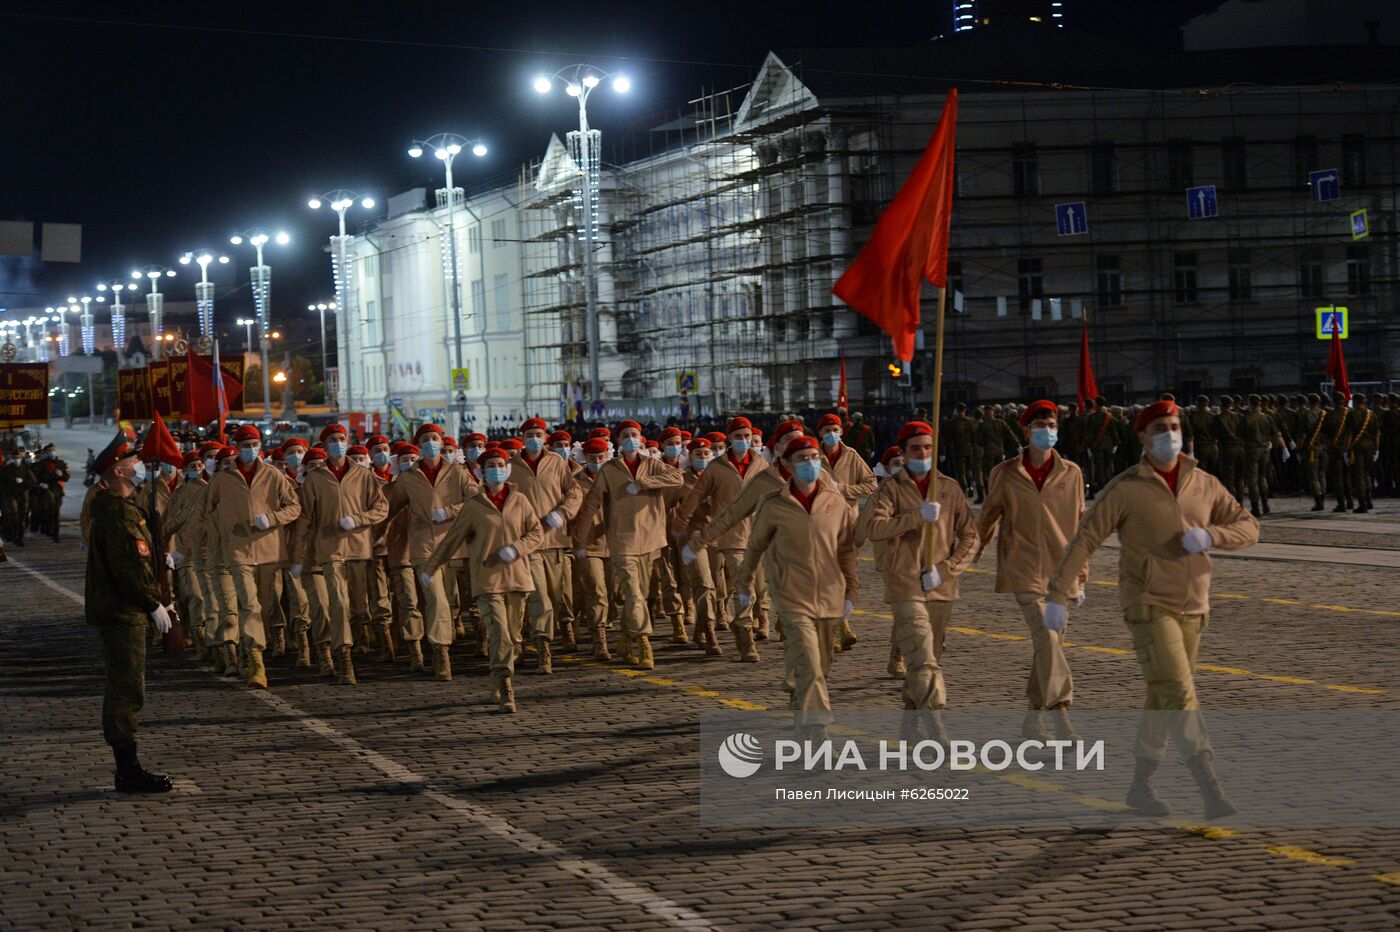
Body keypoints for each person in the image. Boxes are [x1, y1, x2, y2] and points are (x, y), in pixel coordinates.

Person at [1046, 400, 1259, 818]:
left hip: (1195, 605)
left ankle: (1140, 786)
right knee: (1180, 694)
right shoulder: (1127, 488)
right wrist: (1057, 594)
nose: (1170, 434)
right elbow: (1085, 539)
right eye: (1160, 427)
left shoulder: (1202, 482)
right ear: (1142, 437)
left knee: (1162, 696)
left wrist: (1213, 536)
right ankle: (1210, 788)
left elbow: (1249, 525)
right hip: (1147, 604)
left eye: (1174, 426)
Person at [734, 436, 859, 743]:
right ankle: (818, 731)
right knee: (810, 663)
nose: (810, 464)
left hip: (829, 594)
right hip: (792, 594)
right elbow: (755, 546)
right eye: (802, 459)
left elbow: (846, 549)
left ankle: (802, 715)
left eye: (814, 457)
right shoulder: (774, 505)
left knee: (821, 666)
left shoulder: (835, 501)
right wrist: (745, 582)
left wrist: (851, 591)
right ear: (787, 466)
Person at [976, 401, 1085, 741]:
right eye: (1040, 424)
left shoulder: (1072, 472)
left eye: (1051, 424)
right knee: (1047, 637)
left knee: (1048, 646)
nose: (1047, 430)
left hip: (1060, 569)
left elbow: (1080, 527)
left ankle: (1031, 720)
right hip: (1022, 567)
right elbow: (987, 517)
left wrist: (1081, 575)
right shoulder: (1006, 472)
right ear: (1026, 430)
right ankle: (1061, 715)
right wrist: (961, 556)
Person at [864, 421, 978, 743]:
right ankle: (936, 729)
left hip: (940, 585)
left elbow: (971, 534)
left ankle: (910, 721)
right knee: (923, 658)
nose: (923, 453)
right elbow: (874, 528)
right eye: (916, 448)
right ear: (903, 452)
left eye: (928, 448)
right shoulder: (890, 489)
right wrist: (916, 517)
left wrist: (947, 568)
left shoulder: (949, 488)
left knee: (926, 657)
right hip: (904, 584)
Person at [85, 427, 174, 793]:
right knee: (126, 689)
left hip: (122, 612)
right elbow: (128, 570)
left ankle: (127, 766)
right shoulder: (119, 514)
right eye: (132, 459)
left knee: (126, 686)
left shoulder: (122, 508)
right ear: (118, 470)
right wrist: (152, 603)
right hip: (124, 614)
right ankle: (127, 769)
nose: (138, 463)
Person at [422, 446, 544, 713]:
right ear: (481, 473)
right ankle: (506, 686)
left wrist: (517, 548)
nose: (496, 470)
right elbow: (451, 540)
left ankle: (496, 675)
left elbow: (536, 533)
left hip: (518, 578)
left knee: (513, 637)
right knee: (499, 633)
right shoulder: (473, 506)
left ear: (507, 469)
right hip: (487, 580)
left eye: (500, 464)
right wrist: (430, 568)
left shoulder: (520, 500)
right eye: (490, 466)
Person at [574, 419, 685, 669]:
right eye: (625, 435)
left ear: (641, 438)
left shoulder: (653, 465)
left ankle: (625, 637)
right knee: (634, 595)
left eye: (634, 434)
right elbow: (591, 503)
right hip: (622, 541)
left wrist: (644, 483)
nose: (630, 438)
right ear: (618, 441)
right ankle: (642, 642)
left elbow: (677, 478)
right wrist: (579, 538)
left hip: (650, 541)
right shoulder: (610, 469)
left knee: (641, 596)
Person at [205, 425, 301, 690]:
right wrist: (223, 532)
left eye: (255, 444)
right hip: (237, 552)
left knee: (267, 606)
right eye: (246, 445)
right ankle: (256, 662)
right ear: (238, 447)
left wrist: (271, 519)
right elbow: (207, 510)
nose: (251, 449)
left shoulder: (273, 475)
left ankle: (253, 648)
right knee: (249, 605)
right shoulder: (222, 479)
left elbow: (293, 507)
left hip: (269, 551)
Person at [295, 423, 389, 685]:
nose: (338, 442)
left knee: (359, 607)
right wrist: (298, 554)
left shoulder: (363, 474)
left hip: (359, 549)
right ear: (324, 446)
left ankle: (360, 640)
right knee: (336, 603)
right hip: (329, 549)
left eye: (342, 438)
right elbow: (304, 518)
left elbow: (381, 508)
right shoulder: (316, 478)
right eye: (333, 439)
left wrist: (359, 519)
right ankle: (343, 657)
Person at [385, 423, 478, 678]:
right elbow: (391, 508)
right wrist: (376, 534)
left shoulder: (457, 472)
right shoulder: (408, 477)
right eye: (425, 439)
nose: (430, 442)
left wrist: (449, 512)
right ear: (418, 444)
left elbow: (476, 498)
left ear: (442, 440)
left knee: (448, 600)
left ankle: (442, 641)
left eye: (434, 438)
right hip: (423, 546)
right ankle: (441, 652)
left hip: (453, 544)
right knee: (436, 598)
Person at [674, 416, 769, 661]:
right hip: (715, 536)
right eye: (738, 437)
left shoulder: (761, 466)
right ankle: (712, 630)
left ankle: (743, 632)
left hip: (749, 536)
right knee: (707, 587)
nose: (744, 441)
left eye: (747, 437)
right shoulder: (716, 467)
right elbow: (694, 498)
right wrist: (680, 527)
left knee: (746, 589)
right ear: (730, 438)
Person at [510, 418, 583, 669]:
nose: (534, 438)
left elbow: (574, 492)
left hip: (556, 538)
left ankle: (567, 627)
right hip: (528, 542)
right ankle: (543, 647)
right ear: (522, 438)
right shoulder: (512, 466)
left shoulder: (557, 462)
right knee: (539, 596)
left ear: (545, 436)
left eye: (538, 434)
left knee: (560, 592)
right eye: (529, 434)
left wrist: (562, 512)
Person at [1347, 393, 1380, 513]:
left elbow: (1349, 434)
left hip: (1357, 447)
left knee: (1359, 475)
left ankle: (1362, 504)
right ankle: (1369, 500)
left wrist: (1347, 449)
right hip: (1370, 447)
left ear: (1355, 402)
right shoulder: (1372, 414)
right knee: (1367, 474)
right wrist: (1377, 449)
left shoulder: (1351, 414)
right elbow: (1377, 434)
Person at [1321, 393, 1353, 513]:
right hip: (1348, 448)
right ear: (1344, 400)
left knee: (1338, 478)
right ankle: (1350, 500)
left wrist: (1330, 443)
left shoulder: (1329, 415)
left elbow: (1324, 433)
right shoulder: (1350, 412)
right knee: (1347, 476)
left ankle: (1341, 504)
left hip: (1335, 449)